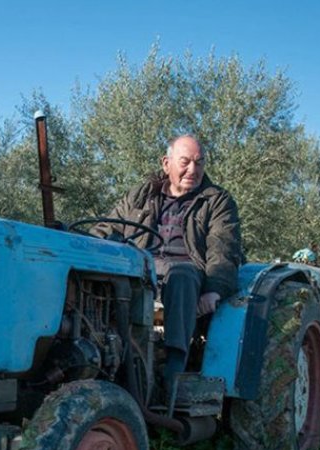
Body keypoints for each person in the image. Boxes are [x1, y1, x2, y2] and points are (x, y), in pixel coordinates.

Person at [92, 135, 242, 393]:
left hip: (188, 270)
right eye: (185, 162)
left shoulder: (217, 201)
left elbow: (223, 247)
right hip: (142, 265)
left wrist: (215, 288)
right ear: (166, 163)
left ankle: (173, 371)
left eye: (199, 163)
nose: (192, 170)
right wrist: (82, 244)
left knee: (180, 274)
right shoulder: (141, 195)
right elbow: (109, 226)